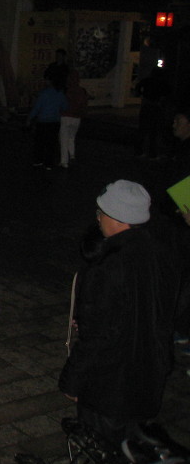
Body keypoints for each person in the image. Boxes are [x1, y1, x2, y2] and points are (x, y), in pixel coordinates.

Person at [59, 180, 177, 446]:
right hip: (149, 377)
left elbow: (98, 335)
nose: (98, 218)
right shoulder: (161, 254)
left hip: (110, 386)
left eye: (101, 213)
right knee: (133, 448)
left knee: (103, 450)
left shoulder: (108, 266)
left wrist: (73, 380)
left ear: (117, 217)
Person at [27, 77, 68, 169]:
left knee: (40, 142)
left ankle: (38, 160)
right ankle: (49, 163)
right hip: (54, 122)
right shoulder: (60, 93)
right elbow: (65, 107)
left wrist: (29, 118)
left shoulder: (43, 93)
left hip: (42, 121)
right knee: (51, 143)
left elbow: (37, 108)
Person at [59, 70, 89, 168]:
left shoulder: (66, 90)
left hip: (66, 116)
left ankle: (64, 161)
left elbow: (62, 103)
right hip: (76, 118)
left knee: (63, 139)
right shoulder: (82, 91)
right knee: (71, 138)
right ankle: (72, 155)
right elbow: (84, 104)